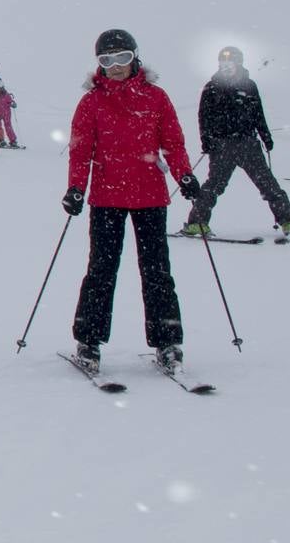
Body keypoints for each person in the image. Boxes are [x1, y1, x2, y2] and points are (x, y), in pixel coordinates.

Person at [64, 29, 202, 374]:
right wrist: (76, 188)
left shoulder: (156, 98)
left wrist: (183, 174)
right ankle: (89, 342)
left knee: (156, 271)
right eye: (106, 60)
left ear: (135, 58)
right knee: (101, 271)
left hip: (150, 197)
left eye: (122, 58)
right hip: (107, 197)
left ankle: (167, 343)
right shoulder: (91, 102)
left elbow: (173, 142)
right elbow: (81, 152)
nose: (115, 66)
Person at [181, 46, 290, 241]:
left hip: (248, 143)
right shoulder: (211, 87)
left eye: (230, 64)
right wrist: (206, 139)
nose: (226, 67)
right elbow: (204, 116)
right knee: (214, 185)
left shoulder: (249, 85)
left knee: (267, 183)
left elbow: (258, 113)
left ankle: (287, 220)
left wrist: (265, 136)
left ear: (239, 64)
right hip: (221, 146)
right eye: (223, 64)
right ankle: (197, 223)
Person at [0, 83, 22, 148]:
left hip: (6, 113)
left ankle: (13, 141)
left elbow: (11, 102)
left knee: (8, 126)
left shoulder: (6, 95)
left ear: (0, 88)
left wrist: (13, 104)